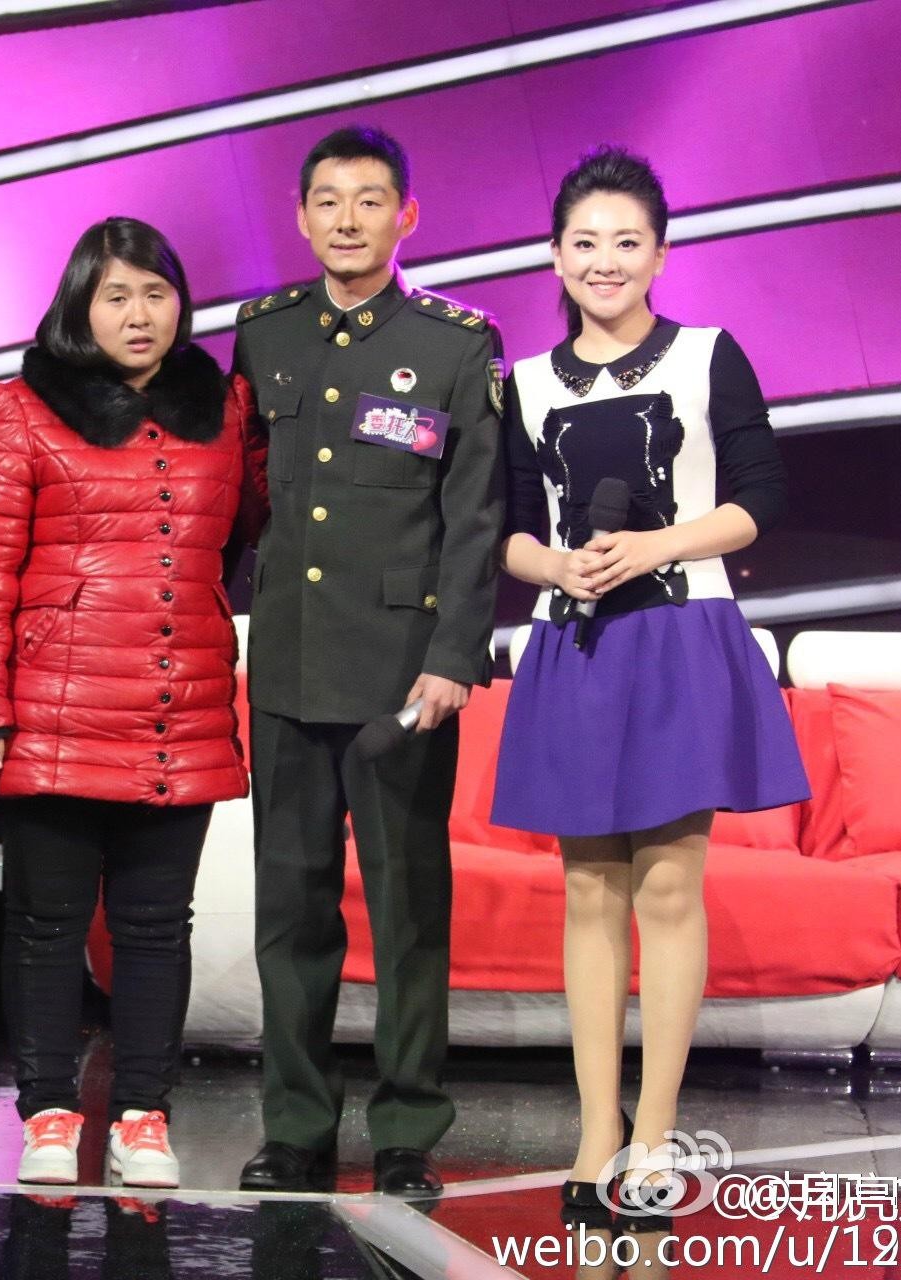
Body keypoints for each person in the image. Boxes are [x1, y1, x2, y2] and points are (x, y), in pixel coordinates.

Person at [491, 145, 809, 1243]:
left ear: (661, 254)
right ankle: (596, 1131)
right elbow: (510, 530)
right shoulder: (526, 384)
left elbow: (762, 497)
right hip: (576, 641)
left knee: (669, 887)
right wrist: (558, 565)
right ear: (555, 256)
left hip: (681, 638)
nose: (606, 260)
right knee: (590, 890)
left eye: (627, 241)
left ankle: (657, 1133)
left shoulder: (711, 355)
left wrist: (654, 545)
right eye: (585, 242)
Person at [0, 217, 262, 1189]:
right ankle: (48, 1109)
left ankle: (143, 1115)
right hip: (52, 708)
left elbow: (247, 530)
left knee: (157, 926)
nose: (138, 313)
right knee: (48, 921)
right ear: (80, 304)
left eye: (156, 293)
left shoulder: (226, 409)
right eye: (116, 295)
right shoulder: (16, 408)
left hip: (178, 704)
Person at [231, 125, 506, 1197]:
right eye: (329, 201)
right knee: (291, 907)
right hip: (290, 664)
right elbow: (243, 488)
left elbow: (474, 517)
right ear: (302, 217)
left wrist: (454, 657)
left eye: (370, 199)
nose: (348, 219)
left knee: (406, 909)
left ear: (407, 216)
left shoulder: (456, 344)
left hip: (403, 674)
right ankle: (296, 1125)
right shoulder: (264, 333)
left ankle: (405, 1130)